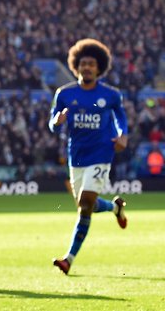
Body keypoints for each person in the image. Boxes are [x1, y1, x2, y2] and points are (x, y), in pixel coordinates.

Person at [49, 38, 129, 275]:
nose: (87, 67)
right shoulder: (64, 94)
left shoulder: (111, 95)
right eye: (83, 63)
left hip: (102, 153)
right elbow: (52, 124)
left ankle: (68, 259)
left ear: (99, 67)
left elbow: (121, 118)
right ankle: (115, 208)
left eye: (91, 64)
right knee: (88, 205)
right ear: (76, 65)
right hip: (77, 156)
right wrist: (57, 121)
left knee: (84, 206)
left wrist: (123, 135)